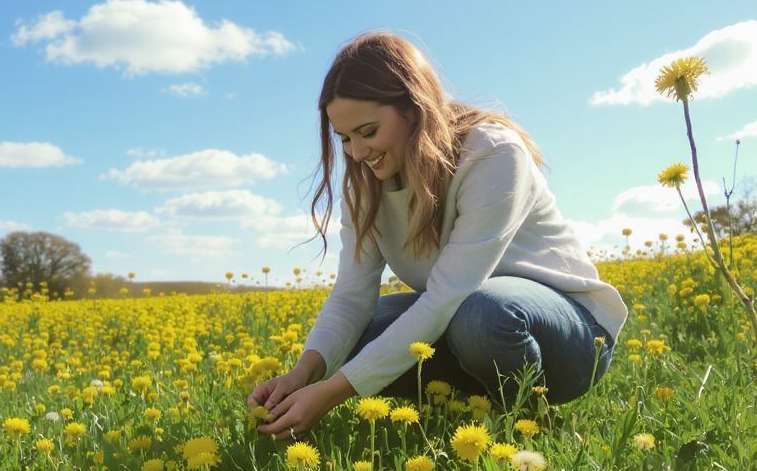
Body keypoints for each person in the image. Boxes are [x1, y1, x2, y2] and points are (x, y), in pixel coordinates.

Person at [248, 31, 627, 442]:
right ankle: (464, 413)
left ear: (415, 108)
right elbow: (351, 296)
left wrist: (332, 393)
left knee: (482, 313)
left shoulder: (493, 153)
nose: (356, 153)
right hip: (463, 319)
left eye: (368, 131)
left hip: (571, 338)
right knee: (352, 341)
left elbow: (447, 296)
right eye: (345, 139)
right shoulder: (364, 183)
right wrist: (304, 375)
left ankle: (532, 424)